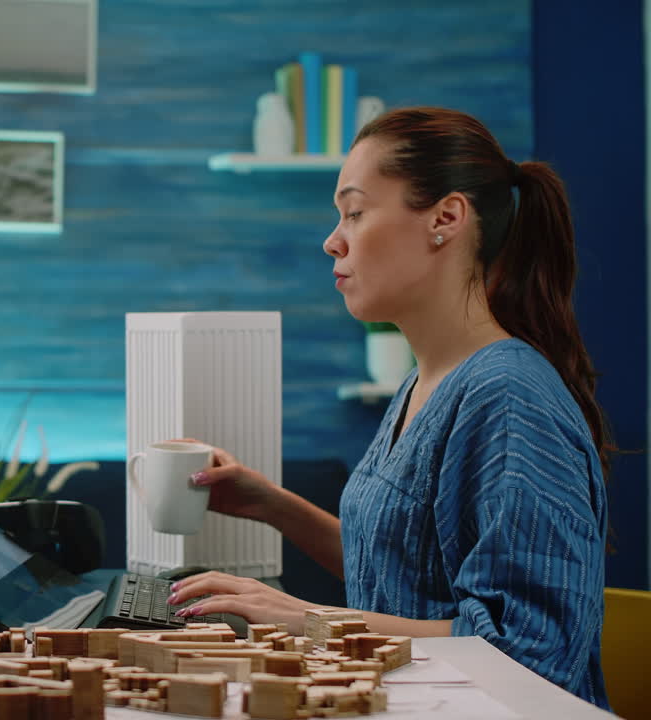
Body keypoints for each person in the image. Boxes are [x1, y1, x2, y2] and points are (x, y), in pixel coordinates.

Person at [167, 106, 611, 707]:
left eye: (354, 211)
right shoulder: (423, 382)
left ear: (446, 218)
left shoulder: (509, 399)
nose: (333, 240)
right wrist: (273, 506)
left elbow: (525, 654)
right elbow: (403, 577)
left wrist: (307, 619)